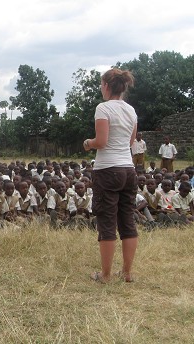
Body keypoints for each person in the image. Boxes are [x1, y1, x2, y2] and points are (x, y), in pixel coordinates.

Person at [83, 68, 137, 283]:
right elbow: (130, 142)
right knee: (127, 221)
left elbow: (101, 142)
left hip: (107, 170)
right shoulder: (131, 110)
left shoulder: (103, 108)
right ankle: (127, 273)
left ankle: (105, 276)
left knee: (106, 221)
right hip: (128, 169)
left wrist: (88, 143)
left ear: (106, 86)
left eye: (101, 84)